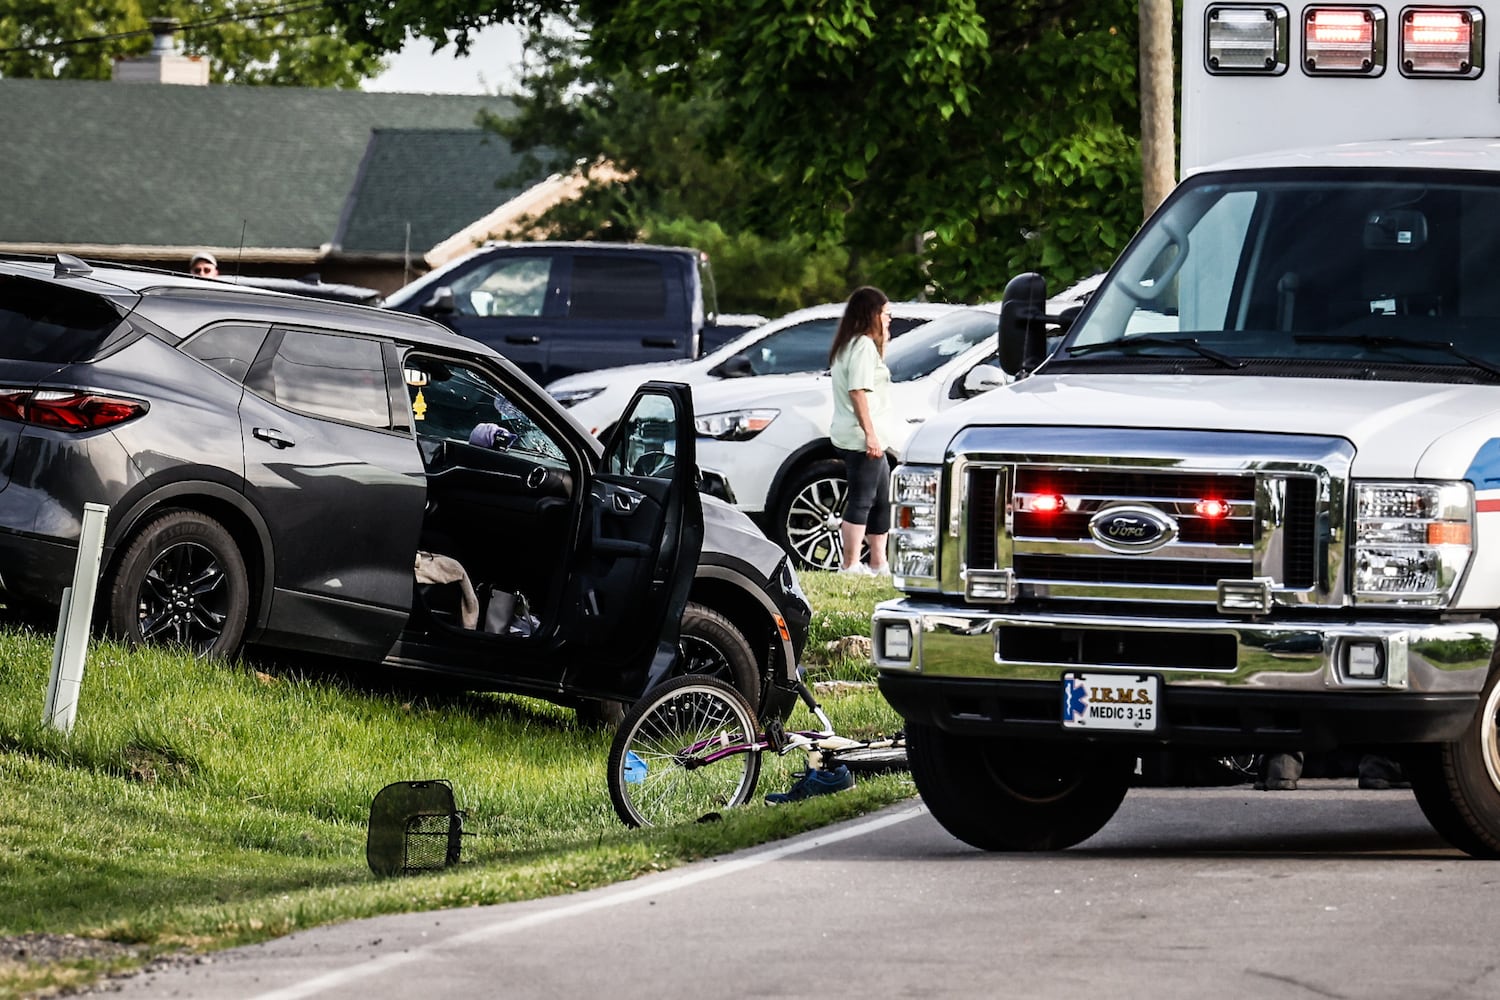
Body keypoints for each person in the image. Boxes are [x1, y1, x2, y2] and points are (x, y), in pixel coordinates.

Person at [828, 286, 895, 576]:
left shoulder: (848, 344)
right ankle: (851, 564)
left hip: (865, 434)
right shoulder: (863, 346)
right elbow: (858, 391)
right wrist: (870, 434)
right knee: (862, 498)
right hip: (861, 437)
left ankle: (879, 562)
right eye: (885, 313)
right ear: (872, 314)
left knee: (881, 498)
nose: (889, 319)